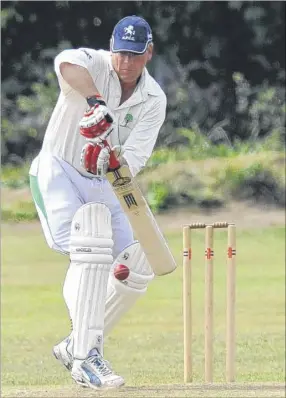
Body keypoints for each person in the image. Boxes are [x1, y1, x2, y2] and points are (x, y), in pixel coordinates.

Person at [29, 15, 167, 390]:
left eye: (135, 55)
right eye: (121, 53)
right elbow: (64, 62)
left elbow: (134, 159)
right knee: (89, 247)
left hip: (101, 180)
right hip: (57, 169)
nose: (126, 62)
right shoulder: (93, 63)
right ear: (111, 48)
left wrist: (110, 160)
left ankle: (78, 343)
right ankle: (85, 358)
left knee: (136, 264)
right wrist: (95, 102)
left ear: (148, 54)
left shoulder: (154, 99)